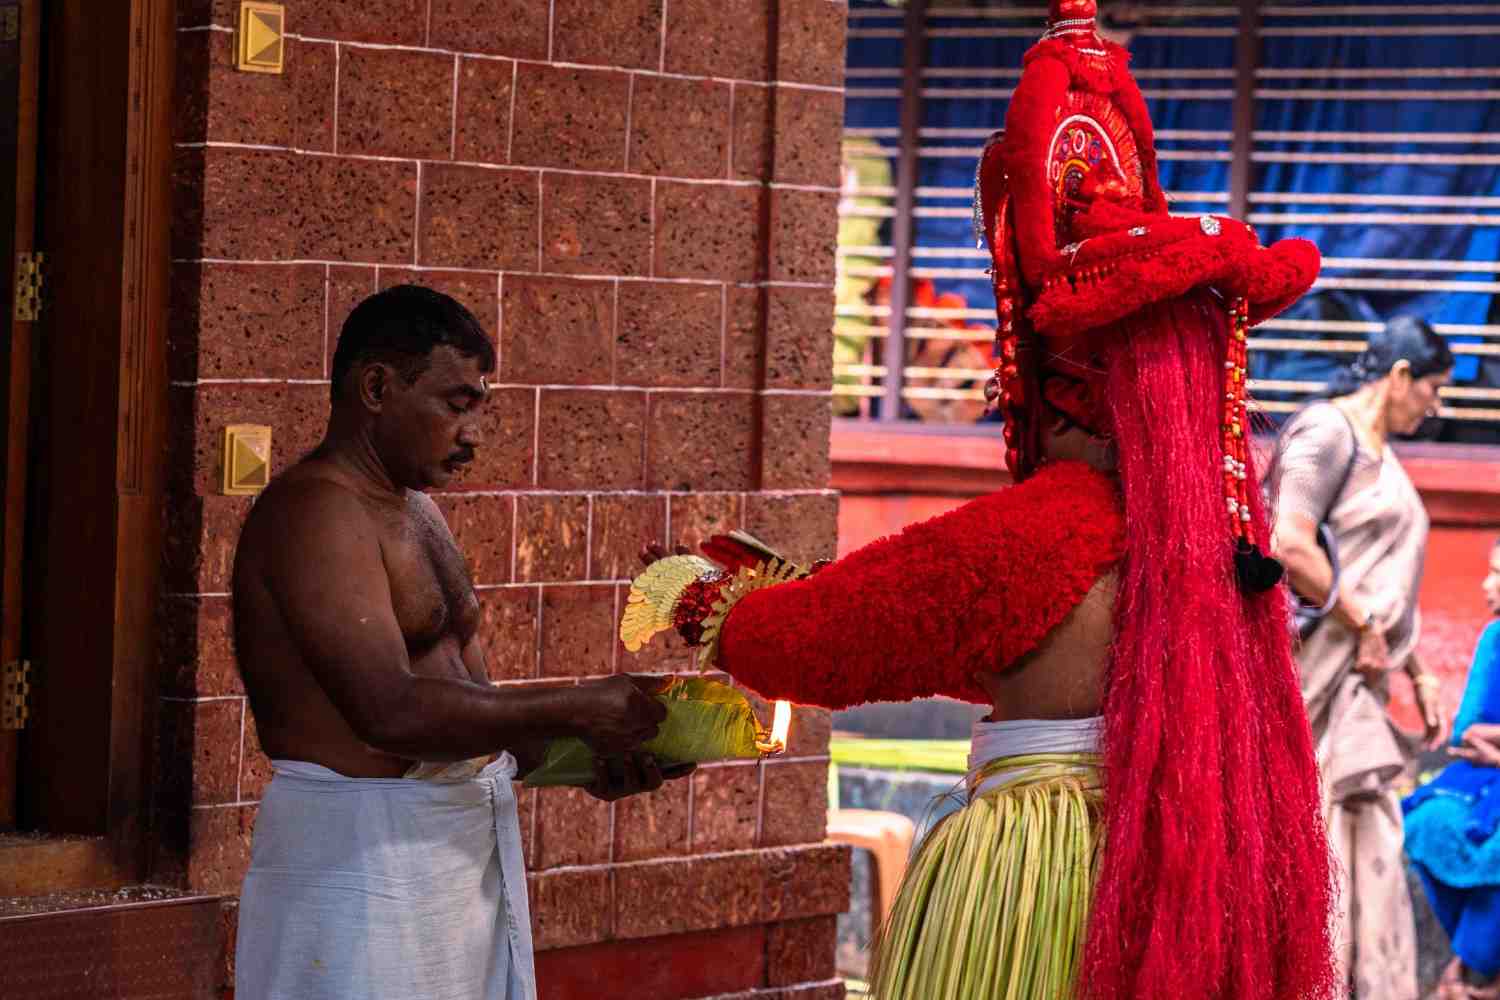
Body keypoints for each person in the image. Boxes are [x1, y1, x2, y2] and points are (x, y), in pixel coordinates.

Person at [625, 3, 1336, 997]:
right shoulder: (1213, 546)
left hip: (1037, 876)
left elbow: (822, 642)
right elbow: (990, 639)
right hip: (1157, 880)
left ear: (1060, 372)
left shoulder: (1058, 527)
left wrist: (722, 603)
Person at [230, 284, 687, 1000]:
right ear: (377, 387)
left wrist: (596, 754)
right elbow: (389, 712)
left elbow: (476, 714)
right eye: (457, 405)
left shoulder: (417, 512)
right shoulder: (313, 511)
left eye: (480, 408)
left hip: (452, 862)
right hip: (355, 866)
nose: (474, 435)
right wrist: (572, 705)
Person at [1270, 315, 1454, 1000]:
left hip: (1361, 683)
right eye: (1432, 389)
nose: (1434, 407)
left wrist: (1417, 668)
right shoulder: (1326, 433)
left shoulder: (1384, 452)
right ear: (1400, 376)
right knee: (1312, 831)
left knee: (1365, 837)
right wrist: (1358, 622)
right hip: (1313, 679)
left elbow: (1388, 591)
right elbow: (1287, 543)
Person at [1404, 539, 1500, 999]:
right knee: (1429, 824)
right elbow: (1469, 730)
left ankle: (1470, 969)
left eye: (1499, 574)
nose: (1487, 584)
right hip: (1482, 781)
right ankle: (1469, 966)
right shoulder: (1495, 639)